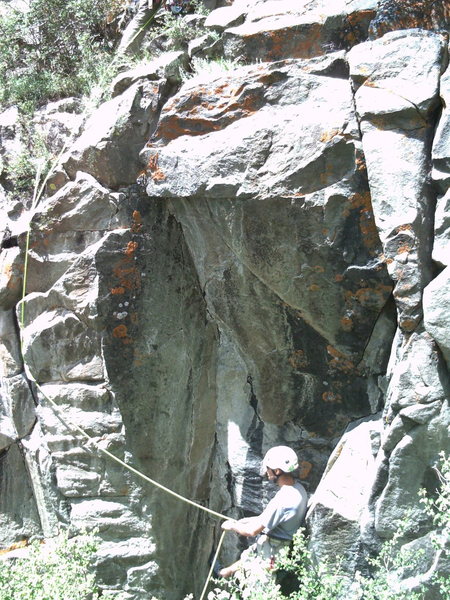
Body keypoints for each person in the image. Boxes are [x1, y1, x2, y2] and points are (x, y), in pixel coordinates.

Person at [219, 446, 308, 580]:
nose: (267, 472)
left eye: (268, 468)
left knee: (257, 583)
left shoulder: (282, 500)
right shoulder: (298, 489)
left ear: (277, 471)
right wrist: (246, 521)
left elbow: (252, 531)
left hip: (273, 548)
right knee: (248, 557)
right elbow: (269, 518)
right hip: (281, 542)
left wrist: (232, 526)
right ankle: (224, 573)